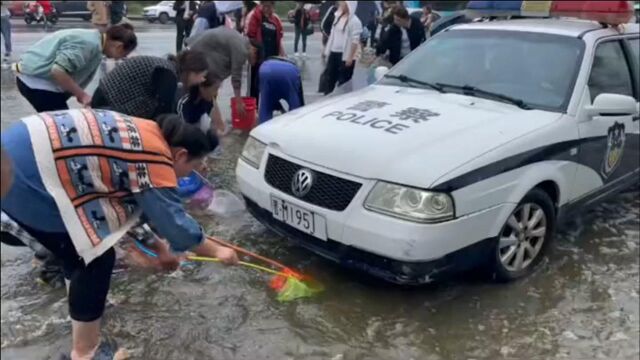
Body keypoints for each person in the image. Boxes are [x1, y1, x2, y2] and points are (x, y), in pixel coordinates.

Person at [1, 109, 238, 359]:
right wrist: (218, 250)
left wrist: (158, 247)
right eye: (193, 167)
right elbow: (176, 227)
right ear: (180, 155)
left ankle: (84, 320)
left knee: (82, 252)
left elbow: (117, 211)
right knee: (95, 258)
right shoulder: (155, 159)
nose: (191, 174)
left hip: (21, 151)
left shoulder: (147, 132)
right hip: (26, 176)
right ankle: (86, 351)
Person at [14, 23, 137, 112]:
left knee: (56, 124)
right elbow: (58, 71)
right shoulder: (89, 44)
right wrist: (82, 95)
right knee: (62, 129)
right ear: (119, 47)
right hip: (37, 83)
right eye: (123, 55)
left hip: (37, 80)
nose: (117, 59)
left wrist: (76, 94)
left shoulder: (96, 41)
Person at [92, 50, 209, 119]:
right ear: (192, 71)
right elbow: (164, 115)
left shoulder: (165, 66)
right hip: (107, 105)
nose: (203, 80)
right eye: (202, 75)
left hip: (104, 97)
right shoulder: (168, 75)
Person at [185, 27, 250, 120]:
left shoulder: (238, 39)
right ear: (254, 51)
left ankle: (209, 120)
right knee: (206, 96)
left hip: (196, 46)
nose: (253, 63)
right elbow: (236, 76)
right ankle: (204, 120)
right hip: (197, 51)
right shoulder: (242, 50)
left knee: (208, 95)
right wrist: (238, 101)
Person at [320, 1, 362, 95]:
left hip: (346, 56)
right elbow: (332, 35)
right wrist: (326, 49)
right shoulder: (337, 17)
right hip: (334, 52)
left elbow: (355, 41)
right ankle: (327, 98)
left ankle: (343, 99)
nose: (340, 4)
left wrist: (350, 57)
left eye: (343, 2)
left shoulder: (355, 21)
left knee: (344, 81)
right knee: (330, 77)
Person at [246, 0, 284, 100]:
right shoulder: (254, 16)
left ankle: (269, 105)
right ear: (261, 4)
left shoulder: (275, 19)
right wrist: (254, 52)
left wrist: (282, 54)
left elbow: (279, 38)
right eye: (264, 5)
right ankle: (255, 107)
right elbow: (249, 36)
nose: (267, 8)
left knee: (270, 82)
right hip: (258, 56)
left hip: (272, 56)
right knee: (255, 85)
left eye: (269, 5)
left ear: (273, 5)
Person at [258, 57, 304, 124]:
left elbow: (266, 93)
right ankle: (295, 126)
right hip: (290, 72)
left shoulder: (265, 65)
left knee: (265, 105)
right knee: (295, 110)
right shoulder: (294, 68)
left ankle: (261, 130)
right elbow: (300, 99)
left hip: (266, 69)